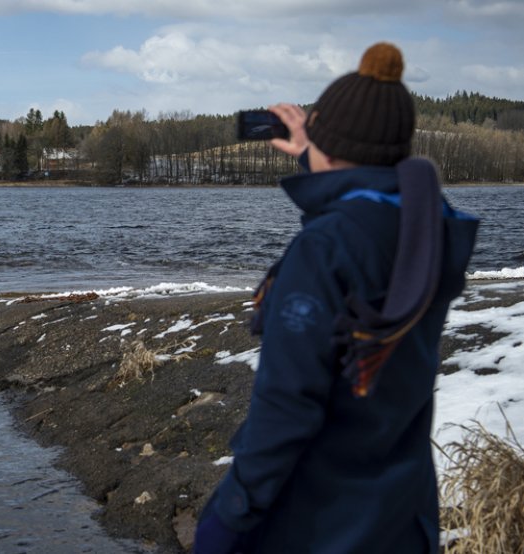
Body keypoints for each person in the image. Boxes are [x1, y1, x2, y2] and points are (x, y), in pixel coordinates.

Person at [194, 43, 478, 553]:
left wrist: (233, 513)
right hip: (400, 517)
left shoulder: (325, 248)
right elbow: (371, 200)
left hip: (317, 522)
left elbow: (288, 404)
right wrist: (313, 150)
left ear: (331, 143)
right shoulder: (427, 230)